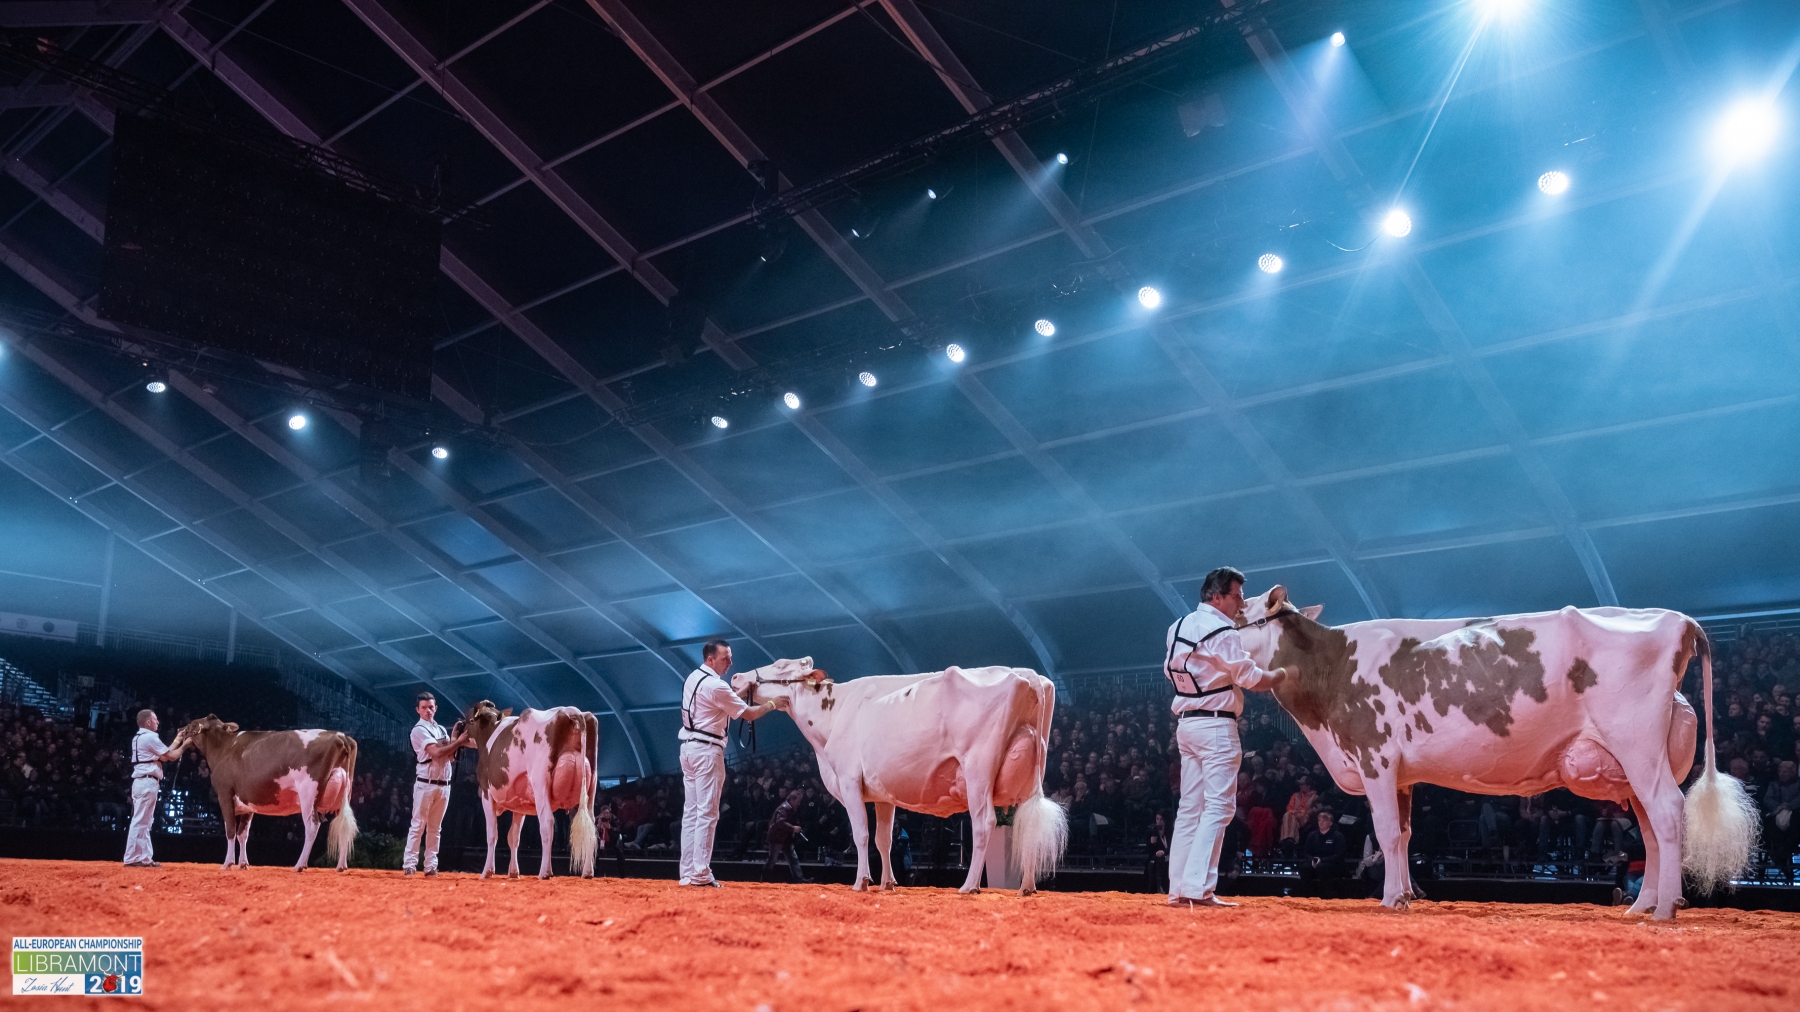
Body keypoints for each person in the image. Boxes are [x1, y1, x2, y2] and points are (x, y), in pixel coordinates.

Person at [1162, 566, 1289, 907]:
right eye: (1237, 596)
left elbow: (1171, 672)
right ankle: (1197, 888)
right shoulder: (1223, 632)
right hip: (1216, 725)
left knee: (1190, 809)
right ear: (1217, 597)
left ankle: (1179, 889)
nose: (1242, 603)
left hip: (1187, 724)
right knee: (1219, 807)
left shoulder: (1177, 627)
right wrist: (1282, 674)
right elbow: (1252, 678)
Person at [678, 640, 785, 887]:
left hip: (689, 748)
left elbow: (719, 704)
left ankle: (688, 872)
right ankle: (701, 874)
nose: (730, 662)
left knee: (692, 813)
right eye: (725, 658)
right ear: (711, 659)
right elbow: (748, 713)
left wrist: (740, 693)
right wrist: (772, 704)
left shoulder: (694, 678)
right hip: (707, 750)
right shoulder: (717, 685)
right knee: (707, 813)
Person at [404, 691, 467, 877]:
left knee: (435, 828)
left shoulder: (440, 729)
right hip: (426, 783)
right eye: (424, 707)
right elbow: (437, 753)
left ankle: (431, 866)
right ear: (418, 710)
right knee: (418, 825)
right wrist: (459, 742)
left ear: (436, 708)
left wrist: (454, 737)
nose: (428, 710)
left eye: (430, 707)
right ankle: (410, 864)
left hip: (443, 784)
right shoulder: (418, 730)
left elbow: (451, 757)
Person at [123, 709, 191, 868]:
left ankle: (145, 858)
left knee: (145, 821)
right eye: (155, 719)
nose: (158, 722)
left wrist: (178, 739)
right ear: (148, 722)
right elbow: (170, 757)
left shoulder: (139, 737)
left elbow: (164, 754)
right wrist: (185, 745)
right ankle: (132, 857)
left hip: (142, 782)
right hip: (147, 782)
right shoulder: (150, 737)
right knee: (141, 821)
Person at [763, 789, 809, 883]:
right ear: (792, 799)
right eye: (798, 801)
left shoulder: (789, 809)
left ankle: (799, 879)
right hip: (777, 838)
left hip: (786, 838)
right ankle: (764, 880)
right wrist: (793, 828)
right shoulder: (784, 808)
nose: (799, 804)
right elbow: (780, 822)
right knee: (772, 860)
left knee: (793, 859)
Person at [1298, 809, 1347, 898]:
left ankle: (1328, 895)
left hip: (1332, 863)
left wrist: (1322, 860)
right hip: (1315, 862)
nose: (1321, 823)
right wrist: (1312, 860)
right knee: (1304, 868)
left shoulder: (1337, 836)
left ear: (1330, 823)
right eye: (1319, 820)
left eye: (1324, 820)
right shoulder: (1312, 835)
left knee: (1323, 867)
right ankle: (1309, 895)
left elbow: (1339, 855)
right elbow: (1306, 853)